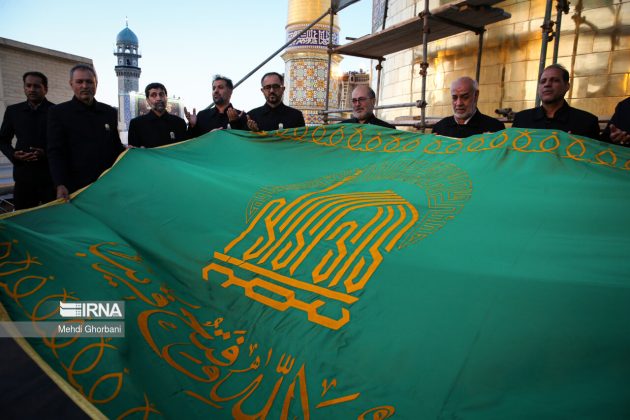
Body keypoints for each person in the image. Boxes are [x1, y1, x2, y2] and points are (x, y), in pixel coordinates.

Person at [47, 64, 125, 200]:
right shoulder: (58, 113)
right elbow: (55, 151)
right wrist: (59, 184)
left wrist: (129, 152)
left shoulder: (109, 112)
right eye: (79, 81)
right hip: (77, 188)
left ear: (96, 84)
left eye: (89, 82)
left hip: (107, 184)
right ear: (71, 84)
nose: (85, 86)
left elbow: (115, 146)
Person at [0, 72, 56, 209]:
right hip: (23, 177)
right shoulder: (13, 111)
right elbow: (2, 140)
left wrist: (45, 154)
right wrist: (14, 154)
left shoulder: (56, 111)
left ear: (45, 88)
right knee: (24, 219)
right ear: (24, 87)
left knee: (53, 220)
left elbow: (63, 144)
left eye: (36, 86)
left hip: (50, 178)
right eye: (28, 85)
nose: (31, 89)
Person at [512, 64, 600, 139]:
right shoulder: (521, 119)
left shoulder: (586, 122)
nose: (547, 84)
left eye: (555, 80)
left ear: (567, 86)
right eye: (543, 81)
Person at [432, 77, 504, 138]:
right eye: (454, 98)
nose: (459, 103)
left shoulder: (495, 129)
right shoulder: (439, 129)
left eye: (465, 97)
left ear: (476, 96)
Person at [128, 83, 187, 148]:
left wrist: (193, 126)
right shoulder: (136, 124)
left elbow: (186, 148)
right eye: (154, 95)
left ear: (166, 98)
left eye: (161, 94)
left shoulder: (179, 123)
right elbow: (134, 152)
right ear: (147, 100)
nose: (158, 98)